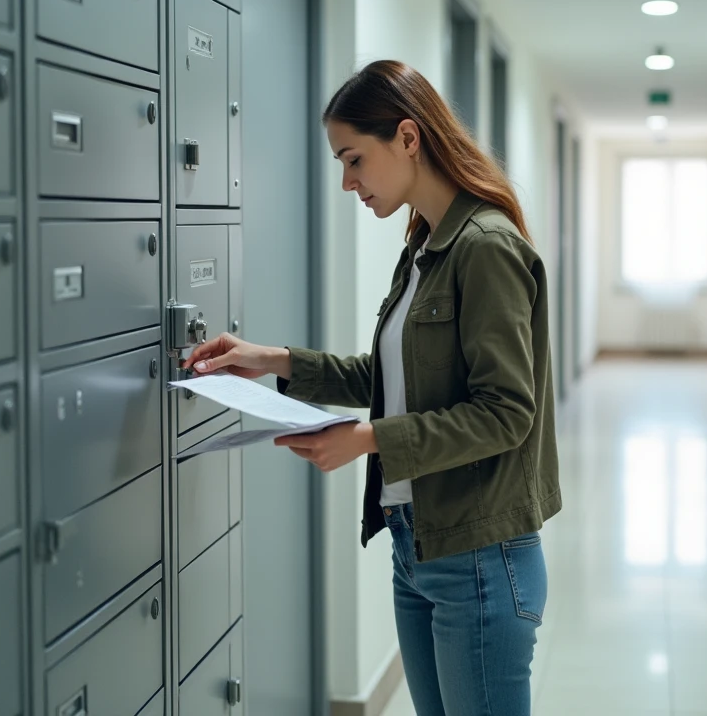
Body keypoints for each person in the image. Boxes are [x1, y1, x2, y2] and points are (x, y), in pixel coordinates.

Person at [182, 60, 562, 716]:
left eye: (354, 159)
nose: (346, 181)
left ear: (408, 139)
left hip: (478, 555)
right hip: (416, 545)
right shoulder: (424, 245)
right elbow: (395, 380)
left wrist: (367, 440)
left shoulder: (485, 248)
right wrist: (273, 360)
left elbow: (506, 414)